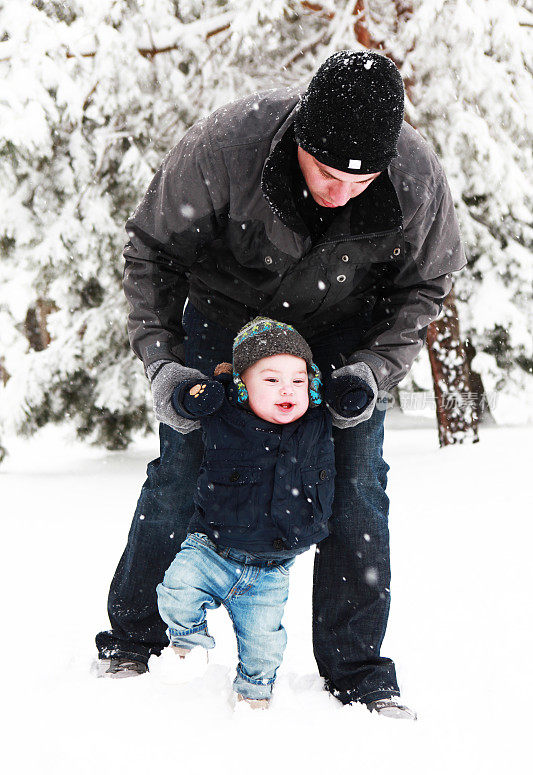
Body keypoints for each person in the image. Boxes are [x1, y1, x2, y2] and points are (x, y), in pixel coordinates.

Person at [96, 50, 465, 717]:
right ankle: (136, 639)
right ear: (300, 138)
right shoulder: (226, 147)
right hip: (225, 321)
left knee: (356, 485)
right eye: (325, 173)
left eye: (359, 180)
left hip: (341, 339)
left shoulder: (413, 176)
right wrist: (165, 364)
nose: (339, 191)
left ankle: (356, 672)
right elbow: (150, 252)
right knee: (184, 469)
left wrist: (375, 370)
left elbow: (428, 281)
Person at [156, 316, 336, 708]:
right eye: (271, 380)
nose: (287, 388)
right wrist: (193, 397)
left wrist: (352, 393)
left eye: (299, 380)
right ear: (242, 385)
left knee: (264, 643)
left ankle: (254, 691)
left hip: (271, 570)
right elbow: (184, 400)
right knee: (175, 592)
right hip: (210, 549)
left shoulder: (318, 419)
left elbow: (345, 395)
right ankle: (189, 644)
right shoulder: (223, 412)